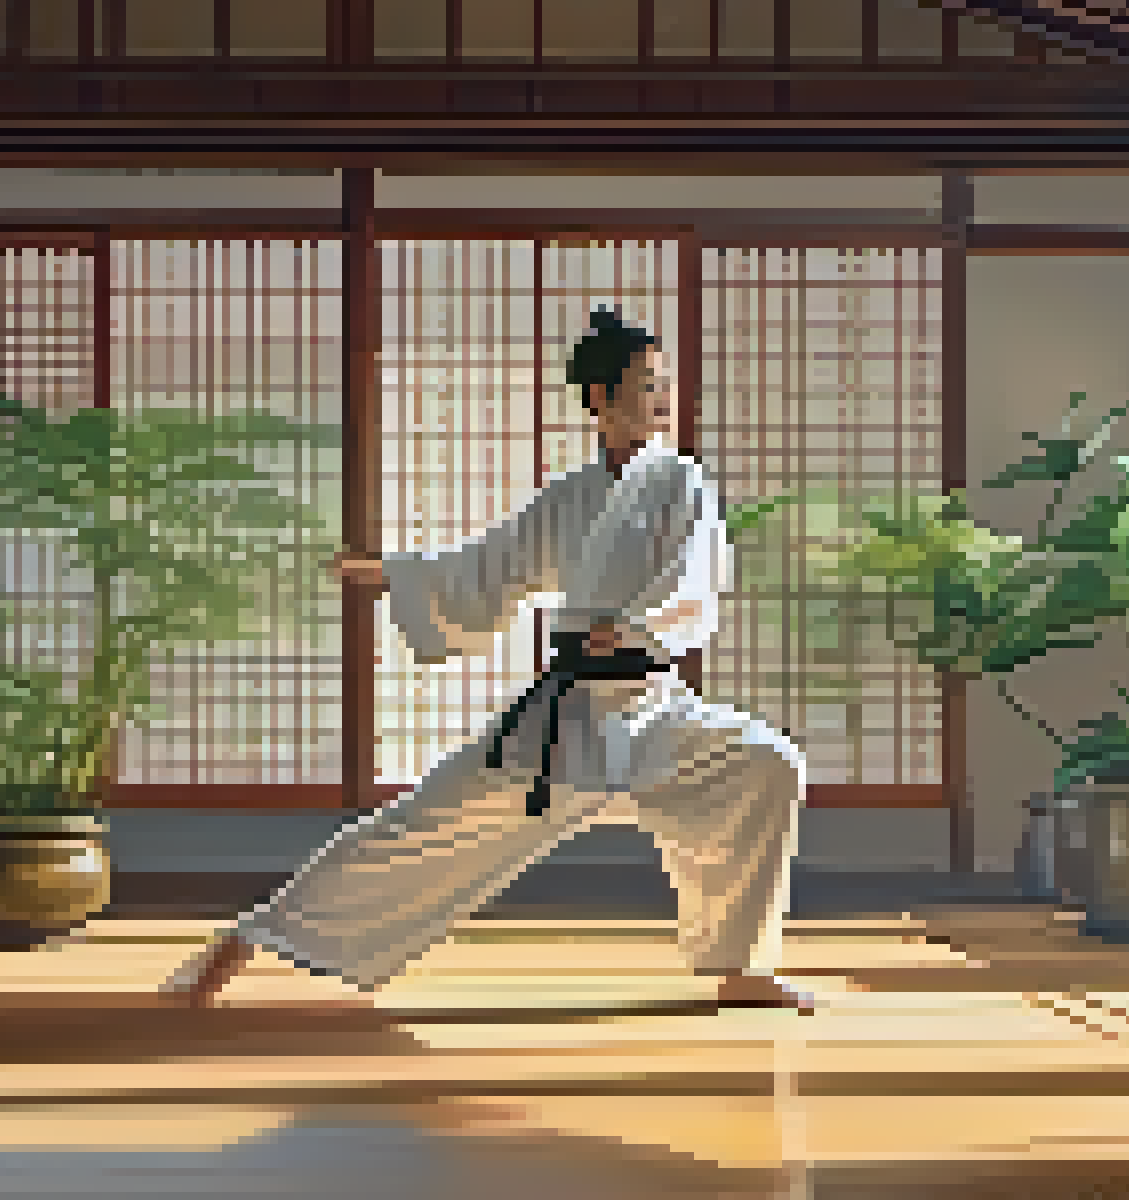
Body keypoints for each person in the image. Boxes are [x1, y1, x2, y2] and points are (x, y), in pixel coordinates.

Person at [164, 306, 813, 1012]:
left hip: (653, 708)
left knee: (766, 762)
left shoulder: (680, 482)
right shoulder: (570, 498)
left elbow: (695, 578)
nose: (660, 399)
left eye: (663, 384)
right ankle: (250, 940)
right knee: (419, 826)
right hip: (564, 721)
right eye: (645, 383)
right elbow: (487, 569)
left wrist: (633, 629)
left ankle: (740, 963)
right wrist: (397, 576)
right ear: (599, 399)